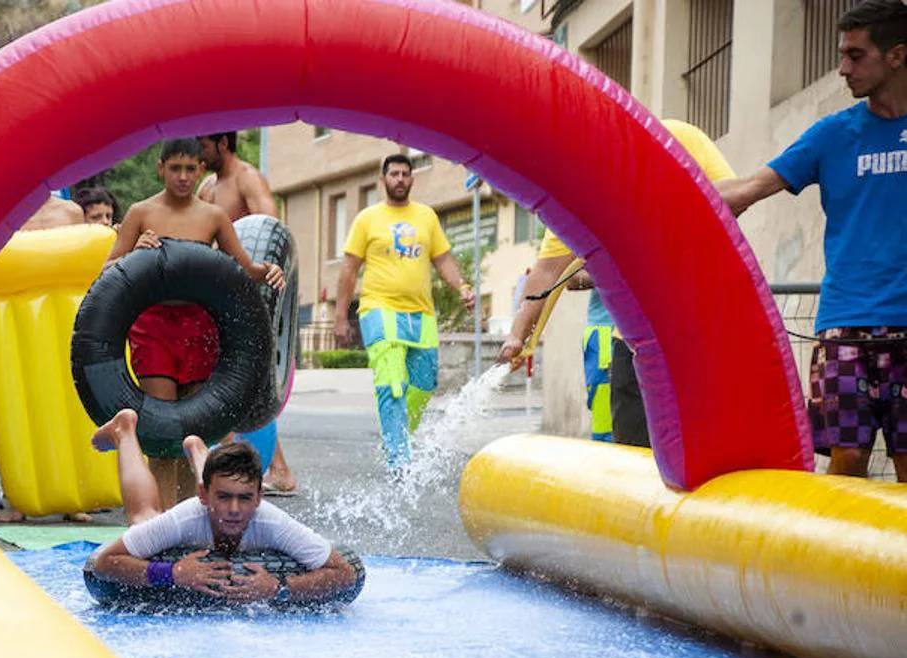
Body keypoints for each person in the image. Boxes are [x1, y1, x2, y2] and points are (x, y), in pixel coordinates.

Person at [720, 0, 907, 481]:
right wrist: (649, 204)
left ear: (897, 55)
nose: (843, 69)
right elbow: (744, 192)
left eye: (855, 55)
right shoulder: (832, 135)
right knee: (845, 466)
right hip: (844, 327)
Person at [496, 119, 736, 448]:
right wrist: (519, 336)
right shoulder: (575, 198)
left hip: (698, 333)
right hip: (634, 343)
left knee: (703, 444)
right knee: (632, 449)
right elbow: (547, 274)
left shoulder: (675, 139)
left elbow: (735, 198)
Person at [105, 137, 286, 509]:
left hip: (198, 327)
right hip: (153, 326)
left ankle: (187, 516)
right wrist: (136, 254)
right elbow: (107, 270)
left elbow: (245, 268)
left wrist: (272, 271)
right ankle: (157, 518)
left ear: (200, 169)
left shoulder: (213, 217)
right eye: (175, 168)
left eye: (191, 169)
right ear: (161, 169)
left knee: (193, 431)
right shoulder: (142, 212)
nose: (183, 177)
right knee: (161, 429)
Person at [88, 408, 355, 602]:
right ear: (203, 496)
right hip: (194, 508)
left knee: (225, 483)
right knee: (143, 517)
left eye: (246, 498)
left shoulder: (272, 521)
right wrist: (172, 573)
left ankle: (197, 450)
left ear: (259, 497)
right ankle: (124, 430)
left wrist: (279, 587)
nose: (235, 510)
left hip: (219, 491)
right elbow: (104, 562)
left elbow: (344, 573)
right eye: (225, 498)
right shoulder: (187, 517)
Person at [335, 153, 474, 471]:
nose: (400, 179)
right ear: (382, 180)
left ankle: (396, 437)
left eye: (405, 174)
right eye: (394, 174)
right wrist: (341, 317)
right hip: (379, 309)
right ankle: (399, 459)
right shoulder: (367, 219)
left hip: (422, 314)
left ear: (412, 179)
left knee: (423, 386)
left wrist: (462, 287)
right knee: (393, 382)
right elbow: (348, 269)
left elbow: (444, 260)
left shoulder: (426, 217)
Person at [0, 191, 87, 522]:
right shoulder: (2, 212)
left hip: (59, 318)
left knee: (63, 401)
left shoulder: (71, 213)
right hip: (9, 318)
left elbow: (81, 267)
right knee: (1, 408)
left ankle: (71, 495)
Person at [197, 131, 300, 496]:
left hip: (248, 295)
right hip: (216, 298)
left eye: (204, 144)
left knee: (248, 385)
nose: (198, 151)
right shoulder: (207, 187)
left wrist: (266, 285)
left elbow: (272, 232)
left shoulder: (247, 179)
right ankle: (276, 468)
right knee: (230, 385)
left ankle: (264, 467)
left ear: (223, 143)